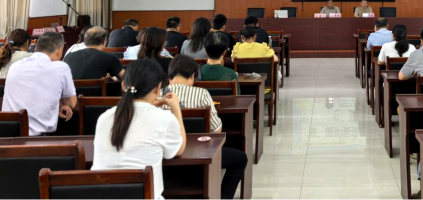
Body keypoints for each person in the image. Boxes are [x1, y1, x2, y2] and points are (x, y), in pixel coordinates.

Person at [92, 59, 186, 200]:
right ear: (158, 89)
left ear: (124, 85)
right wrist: (176, 108)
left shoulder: (104, 118)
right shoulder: (164, 118)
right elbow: (179, 149)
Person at [166, 55, 247, 200]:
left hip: (166, 157)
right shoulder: (201, 93)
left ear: (169, 76)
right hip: (200, 157)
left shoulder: (159, 95)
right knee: (241, 158)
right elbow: (217, 130)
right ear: (193, 76)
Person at [2, 32, 77, 136]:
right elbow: (71, 103)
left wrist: (56, 107)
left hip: (6, 133)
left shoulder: (15, 66)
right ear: (59, 50)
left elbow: (29, 96)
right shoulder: (61, 68)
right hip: (36, 139)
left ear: (35, 47)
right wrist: (59, 105)